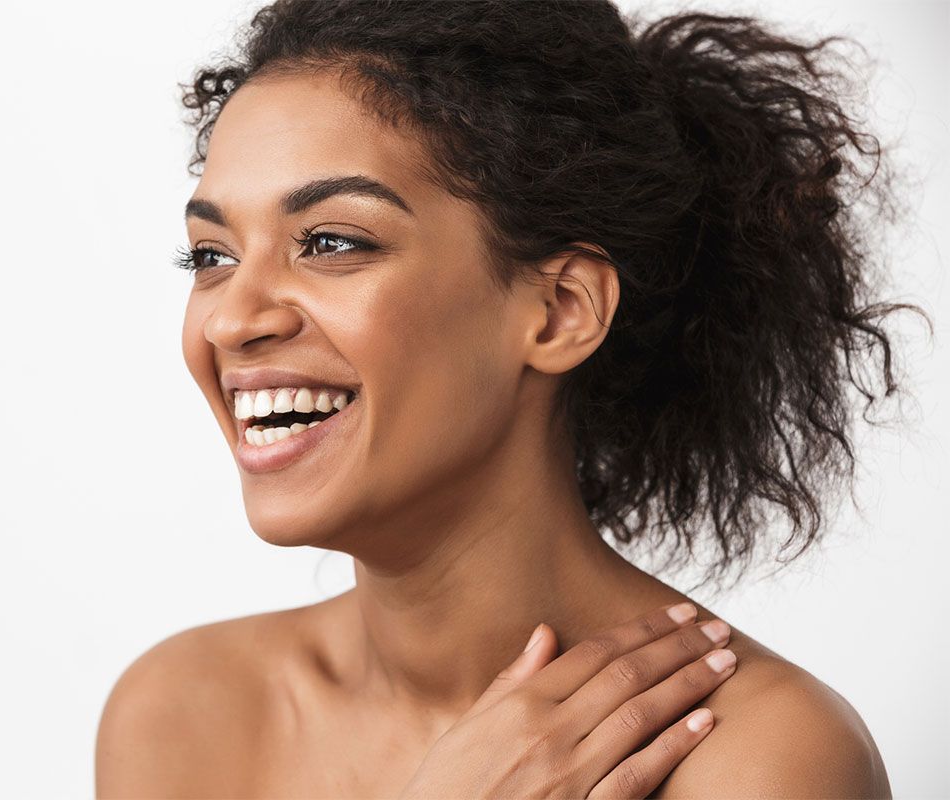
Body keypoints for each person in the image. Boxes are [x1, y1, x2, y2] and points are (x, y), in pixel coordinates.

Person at [97, 1, 927, 796]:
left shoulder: (758, 760)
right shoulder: (182, 716)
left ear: (562, 310)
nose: (234, 317)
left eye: (331, 242)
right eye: (210, 256)